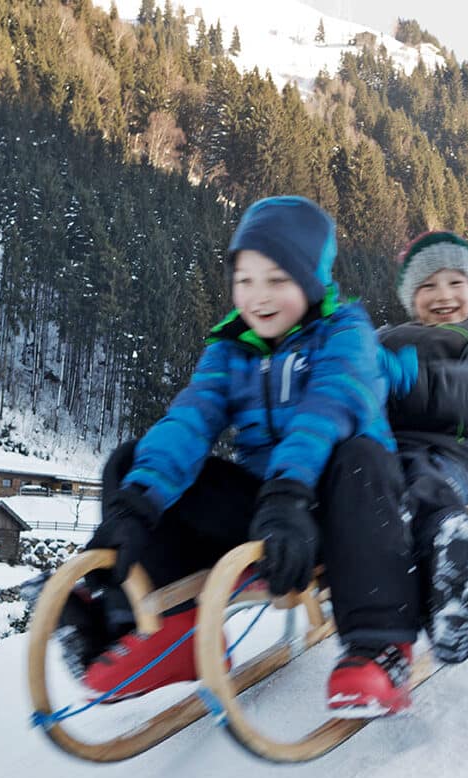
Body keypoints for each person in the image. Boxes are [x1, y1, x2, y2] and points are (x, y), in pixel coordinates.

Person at [56, 196, 420, 717]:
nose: (258, 296)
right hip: (270, 511)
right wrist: (134, 504)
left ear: (311, 281)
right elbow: (190, 420)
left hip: (341, 506)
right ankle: (175, 630)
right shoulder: (230, 348)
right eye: (245, 280)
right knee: (132, 462)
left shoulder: (346, 333)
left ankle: (380, 648)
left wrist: (290, 492)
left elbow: (328, 408)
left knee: (359, 455)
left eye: (276, 279)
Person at [375, 231, 468, 664]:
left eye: (455, 282)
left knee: (420, 490)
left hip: (445, 453)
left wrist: (407, 380)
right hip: (377, 450)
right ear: (410, 297)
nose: (443, 296)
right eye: (427, 286)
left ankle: (456, 576)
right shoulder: (384, 337)